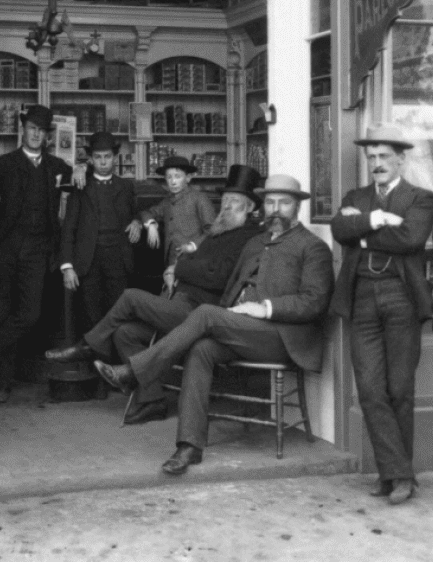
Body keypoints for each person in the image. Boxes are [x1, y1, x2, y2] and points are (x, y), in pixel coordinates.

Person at [95, 175, 333, 475]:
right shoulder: (256, 242)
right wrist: (223, 313)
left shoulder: (312, 247)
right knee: (202, 349)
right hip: (242, 328)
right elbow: (230, 287)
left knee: (206, 314)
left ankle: (134, 370)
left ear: (297, 206)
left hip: (281, 337)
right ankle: (189, 446)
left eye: (283, 203)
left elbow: (315, 302)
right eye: (270, 202)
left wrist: (265, 308)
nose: (275, 209)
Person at [46, 164, 264, 426]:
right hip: (181, 302)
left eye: (234, 201)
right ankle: (153, 401)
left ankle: (88, 346)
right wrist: (183, 266)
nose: (226, 206)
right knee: (124, 332)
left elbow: (216, 276)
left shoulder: (248, 238)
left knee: (131, 297)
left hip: (199, 313)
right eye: (225, 199)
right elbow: (197, 264)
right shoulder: (218, 231)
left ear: (250, 207)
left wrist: (179, 268)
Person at [329, 124, 433, 505]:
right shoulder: (355, 196)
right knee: (371, 390)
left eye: (384, 157)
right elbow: (339, 228)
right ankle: (399, 473)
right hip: (361, 298)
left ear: (400, 159)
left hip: (401, 297)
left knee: (400, 390)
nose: (377, 163)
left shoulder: (421, 198)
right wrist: (377, 220)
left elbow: (411, 238)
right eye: (371, 157)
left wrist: (360, 230)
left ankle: (395, 475)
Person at [0, 104, 73, 403]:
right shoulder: (4, 163)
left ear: (47, 136)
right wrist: (0, 212)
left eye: (41, 131)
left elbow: (77, 182)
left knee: (28, 315)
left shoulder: (57, 167)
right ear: (23, 129)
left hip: (38, 251)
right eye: (32, 128)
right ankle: (0, 383)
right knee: (1, 314)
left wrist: (82, 170)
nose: (36, 134)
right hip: (5, 248)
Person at [57, 131, 138, 329]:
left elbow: (134, 213)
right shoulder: (80, 185)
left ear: (115, 158)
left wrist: (137, 222)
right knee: (90, 314)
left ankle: (113, 349)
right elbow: (69, 228)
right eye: (98, 157)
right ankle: (93, 349)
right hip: (88, 260)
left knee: (118, 312)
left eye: (107, 156)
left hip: (119, 259)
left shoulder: (126, 186)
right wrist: (67, 267)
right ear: (91, 159)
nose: (103, 162)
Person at [133, 155, 218, 291]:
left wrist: (193, 245)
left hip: (194, 261)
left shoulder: (200, 199)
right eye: (169, 177)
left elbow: (213, 230)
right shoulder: (167, 202)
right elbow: (146, 212)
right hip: (170, 262)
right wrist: (151, 224)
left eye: (177, 177)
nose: (173, 182)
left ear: (188, 178)